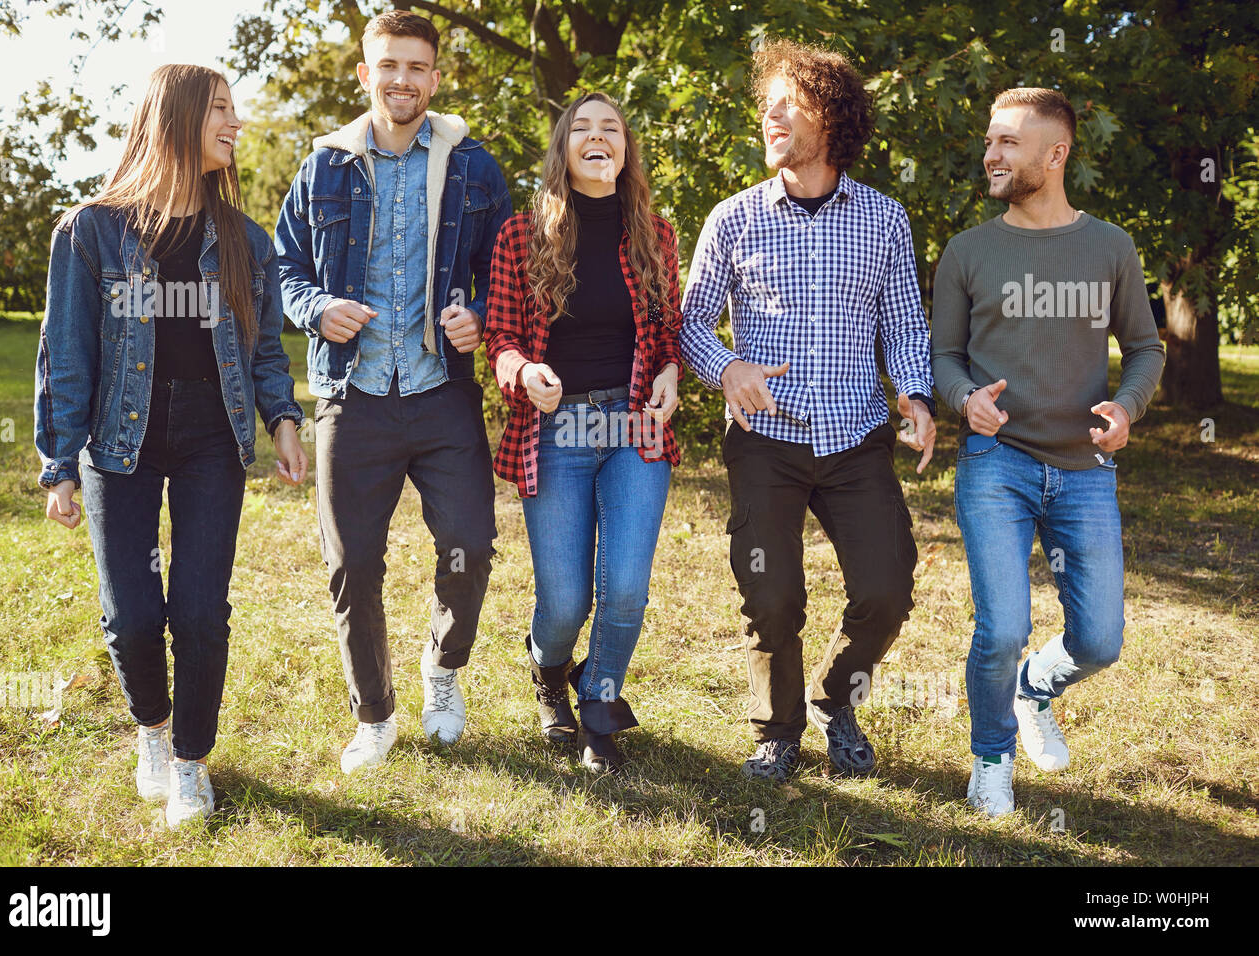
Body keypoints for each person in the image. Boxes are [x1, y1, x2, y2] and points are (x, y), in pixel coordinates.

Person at [34, 64, 307, 828]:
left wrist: (283, 417)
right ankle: (151, 733)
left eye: (234, 109)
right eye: (221, 109)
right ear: (179, 117)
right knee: (130, 615)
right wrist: (58, 462)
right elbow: (66, 352)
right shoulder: (91, 230)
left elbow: (263, 351)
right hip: (118, 442)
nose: (235, 123)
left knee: (198, 611)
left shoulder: (246, 241)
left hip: (210, 441)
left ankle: (190, 764)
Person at [681, 40, 937, 784]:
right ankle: (777, 728)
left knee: (887, 590)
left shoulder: (885, 220)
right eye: (768, 103)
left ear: (832, 117)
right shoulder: (732, 218)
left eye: (789, 102)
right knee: (772, 594)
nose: (771, 114)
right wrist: (726, 366)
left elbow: (904, 326)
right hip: (767, 442)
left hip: (857, 439)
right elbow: (691, 320)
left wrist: (915, 396)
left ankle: (834, 698)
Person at [274, 11, 512, 772]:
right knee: (352, 564)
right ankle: (372, 714)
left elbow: (507, 274)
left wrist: (479, 317)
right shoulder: (324, 169)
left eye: (416, 67)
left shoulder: (475, 166)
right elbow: (282, 269)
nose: (402, 80)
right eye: (388, 66)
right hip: (355, 392)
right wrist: (316, 309)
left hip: (442, 388)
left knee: (470, 547)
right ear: (364, 74)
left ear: (435, 78)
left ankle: (442, 670)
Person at [931, 88, 1165, 817]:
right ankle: (991, 759)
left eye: (1006, 143)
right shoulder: (968, 251)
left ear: (1054, 154)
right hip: (995, 462)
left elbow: (1148, 349)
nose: (990, 155)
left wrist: (1126, 409)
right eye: (990, 142)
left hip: (1084, 469)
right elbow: (943, 357)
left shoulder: (1110, 247)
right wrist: (964, 398)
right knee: (1000, 626)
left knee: (1099, 641)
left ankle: (1036, 688)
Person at [485, 93, 683, 773]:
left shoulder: (656, 234)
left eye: (613, 129)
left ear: (625, 150)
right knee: (565, 602)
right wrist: (523, 371)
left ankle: (599, 706)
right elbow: (501, 337)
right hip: (556, 425)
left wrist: (671, 373)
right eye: (583, 129)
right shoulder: (521, 234)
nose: (599, 138)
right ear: (564, 148)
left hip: (634, 422)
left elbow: (668, 335)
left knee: (625, 588)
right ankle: (549, 670)